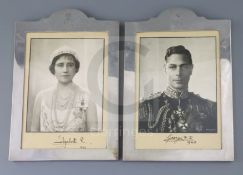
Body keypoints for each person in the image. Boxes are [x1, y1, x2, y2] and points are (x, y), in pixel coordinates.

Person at [139, 45, 217, 133]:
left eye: (184, 67)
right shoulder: (146, 107)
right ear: (165, 69)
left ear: (191, 69)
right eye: (172, 67)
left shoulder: (210, 108)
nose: (178, 73)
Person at [30, 46, 98, 132]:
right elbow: (33, 133)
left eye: (70, 65)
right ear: (53, 68)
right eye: (60, 65)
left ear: (76, 68)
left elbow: (94, 136)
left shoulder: (88, 97)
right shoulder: (41, 97)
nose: (65, 70)